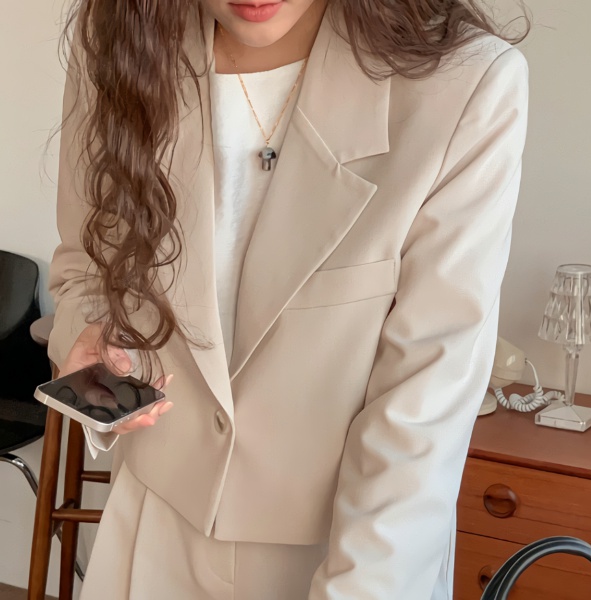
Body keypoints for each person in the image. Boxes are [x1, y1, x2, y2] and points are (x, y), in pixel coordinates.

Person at [48, 0, 529, 598]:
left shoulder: (465, 86)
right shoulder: (121, 34)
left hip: (348, 553)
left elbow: (423, 403)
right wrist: (89, 342)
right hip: (150, 533)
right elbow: (85, 262)